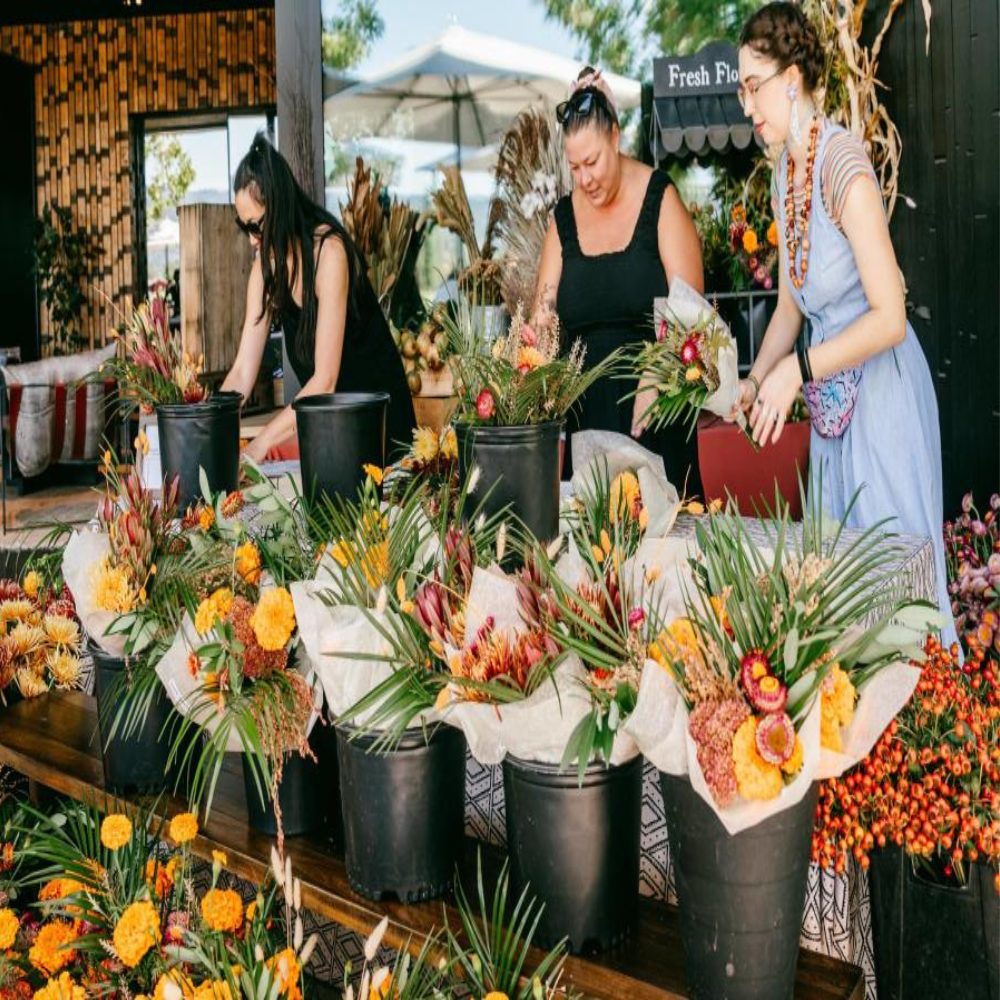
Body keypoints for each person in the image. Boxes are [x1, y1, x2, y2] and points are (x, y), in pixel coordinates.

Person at [731, 2, 958, 648]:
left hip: (883, 402)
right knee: (844, 600)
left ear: (792, 79)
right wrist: (757, 379)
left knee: (896, 600)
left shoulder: (843, 166)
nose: (747, 105)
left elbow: (889, 316)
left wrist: (796, 372)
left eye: (753, 86)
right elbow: (791, 306)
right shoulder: (784, 173)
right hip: (834, 409)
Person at [533, 67, 704, 489]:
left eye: (592, 161)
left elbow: (694, 318)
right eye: (574, 167)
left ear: (616, 136)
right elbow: (543, 320)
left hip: (656, 417)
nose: (584, 178)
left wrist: (659, 372)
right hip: (586, 425)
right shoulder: (563, 222)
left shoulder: (661, 200)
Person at [222, 133, 415, 463]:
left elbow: (324, 380)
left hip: (381, 425)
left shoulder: (329, 253)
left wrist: (260, 443)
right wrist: (211, 428)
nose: (252, 240)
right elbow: (242, 371)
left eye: (257, 226)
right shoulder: (264, 270)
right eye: (245, 228)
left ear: (280, 207)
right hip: (334, 430)